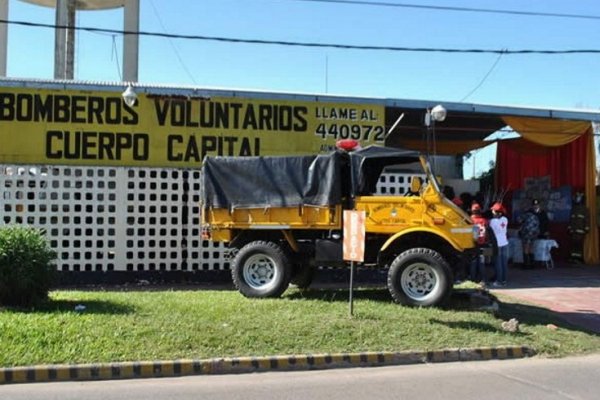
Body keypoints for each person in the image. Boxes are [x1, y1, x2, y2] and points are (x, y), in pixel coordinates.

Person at [489, 202, 509, 287]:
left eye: (493, 210)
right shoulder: (505, 219)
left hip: (496, 244)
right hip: (504, 242)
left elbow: (491, 232)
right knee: (504, 262)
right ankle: (504, 280)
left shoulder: (493, 221)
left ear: (496, 212)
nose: (492, 211)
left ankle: (499, 281)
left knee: (498, 263)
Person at [469, 202, 489, 284]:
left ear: (472, 211)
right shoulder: (485, 220)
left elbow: (472, 234)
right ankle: (483, 279)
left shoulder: (470, 220)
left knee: (473, 262)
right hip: (483, 243)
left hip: (473, 244)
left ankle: (472, 279)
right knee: (482, 262)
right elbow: (487, 233)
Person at [567, 192, 589, 263]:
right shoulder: (573, 209)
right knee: (573, 244)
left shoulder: (584, 209)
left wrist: (586, 228)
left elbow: (587, 219)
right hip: (573, 230)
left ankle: (579, 258)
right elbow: (571, 219)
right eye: (576, 197)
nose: (577, 199)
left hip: (580, 230)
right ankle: (573, 257)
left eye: (579, 198)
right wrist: (569, 228)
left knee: (579, 244)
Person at [518, 200, 541, 268]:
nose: (535, 206)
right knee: (530, 247)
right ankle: (530, 263)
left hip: (529, 233)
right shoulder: (539, 213)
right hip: (532, 233)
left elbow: (519, 220)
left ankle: (527, 264)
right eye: (534, 205)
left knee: (527, 247)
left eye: (536, 205)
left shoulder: (528, 213)